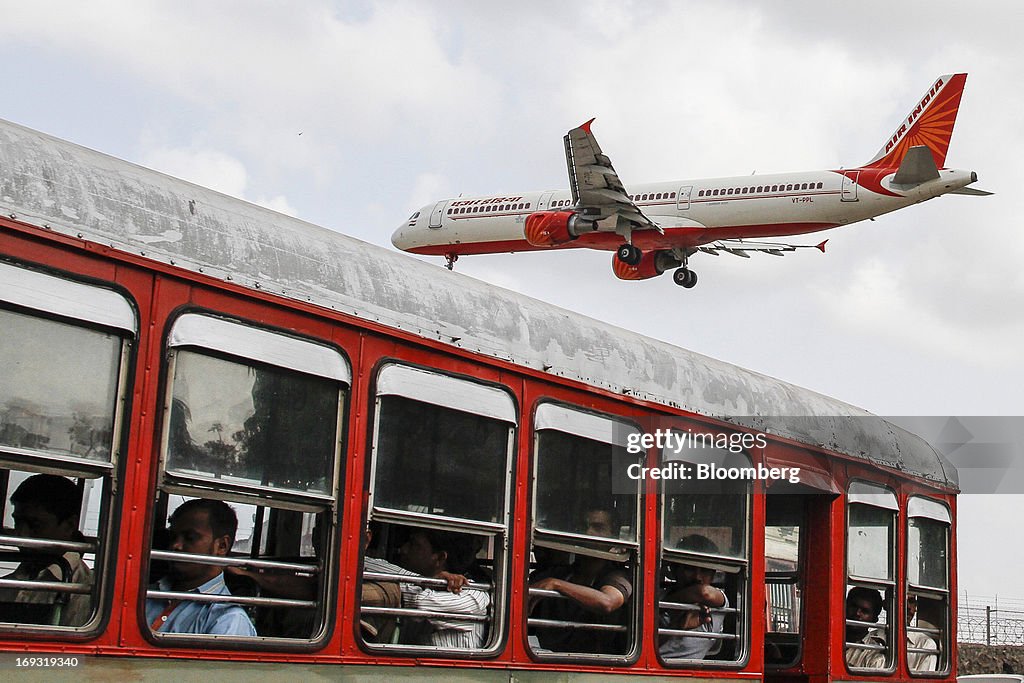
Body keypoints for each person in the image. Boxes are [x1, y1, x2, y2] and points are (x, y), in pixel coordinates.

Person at [528, 507, 633, 654]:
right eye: (584, 527)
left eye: (598, 527)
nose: (588, 533)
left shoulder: (617, 576)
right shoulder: (560, 573)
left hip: (596, 663)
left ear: (613, 535)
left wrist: (555, 584)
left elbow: (607, 602)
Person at [145, 498, 257, 636]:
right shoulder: (148, 592)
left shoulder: (227, 619)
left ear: (222, 546)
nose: (176, 546)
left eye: (190, 538)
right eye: (173, 537)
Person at [364, 526, 487, 649]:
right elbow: (363, 562)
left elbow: (420, 604)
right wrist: (420, 580)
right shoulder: (415, 580)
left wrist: (415, 583)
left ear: (439, 558)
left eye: (414, 545)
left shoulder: (473, 594)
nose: (403, 550)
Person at [0, 474, 93, 626]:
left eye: (35, 524)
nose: (21, 535)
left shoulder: (85, 591)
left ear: (69, 525)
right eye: (18, 522)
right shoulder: (9, 582)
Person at [658, 535, 728, 660]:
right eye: (689, 569)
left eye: (705, 571)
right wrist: (676, 626)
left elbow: (703, 592)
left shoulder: (715, 602)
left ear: (713, 575)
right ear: (675, 569)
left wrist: (667, 604)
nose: (697, 577)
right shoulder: (658, 596)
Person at [845, 586, 887, 668]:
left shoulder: (874, 654)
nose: (857, 613)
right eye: (854, 607)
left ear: (874, 619)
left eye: (865, 611)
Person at [906, 594, 939, 671]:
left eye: (911, 601)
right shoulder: (874, 641)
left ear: (916, 608)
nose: (908, 607)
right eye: (901, 599)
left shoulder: (925, 645)